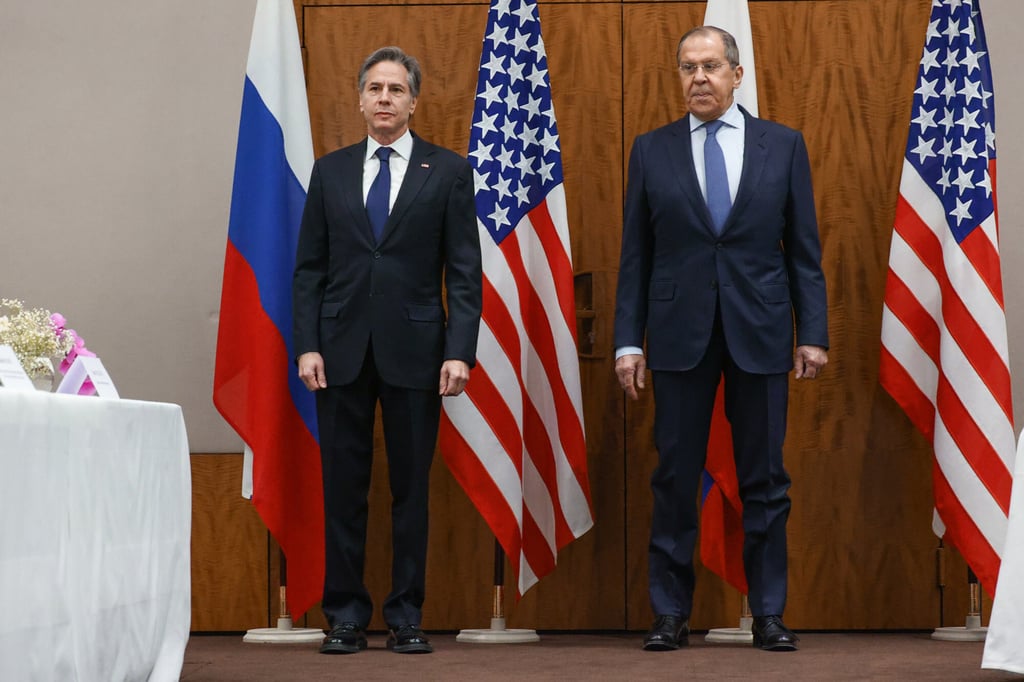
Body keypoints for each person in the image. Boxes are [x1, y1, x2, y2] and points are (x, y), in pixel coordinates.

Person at [613, 26, 828, 653]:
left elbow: (804, 251)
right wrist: (628, 341)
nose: (699, 78)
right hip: (677, 335)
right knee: (674, 477)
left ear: (737, 74)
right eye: (688, 67)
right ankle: (669, 613)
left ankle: (768, 613)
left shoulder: (782, 145)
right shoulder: (651, 150)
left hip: (760, 331)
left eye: (710, 66)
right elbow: (636, 256)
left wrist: (812, 333)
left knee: (766, 479)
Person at [292, 46, 482, 656]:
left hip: (418, 353)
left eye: (396, 89)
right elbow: (310, 269)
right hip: (339, 353)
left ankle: (406, 616)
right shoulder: (330, 171)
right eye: (374, 88)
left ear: (413, 101)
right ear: (359, 99)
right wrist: (307, 344)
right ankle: (345, 617)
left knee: (410, 492)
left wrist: (460, 350)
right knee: (344, 491)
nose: (384, 98)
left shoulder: (447, 172)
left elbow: (464, 272)